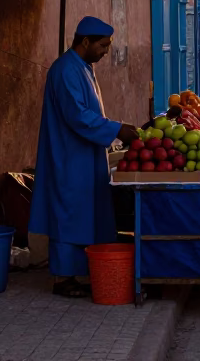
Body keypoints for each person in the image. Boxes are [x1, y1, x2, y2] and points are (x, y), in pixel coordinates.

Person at [30, 16, 140, 298]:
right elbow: (77, 116)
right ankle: (63, 277)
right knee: (69, 214)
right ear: (86, 41)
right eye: (102, 46)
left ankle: (90, 268)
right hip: (68, 155)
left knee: (88, 212)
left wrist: (116, 130)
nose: (105, 51)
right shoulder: (66, 70)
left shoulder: (84, 68)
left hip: (87, 154)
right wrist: (118, 129)